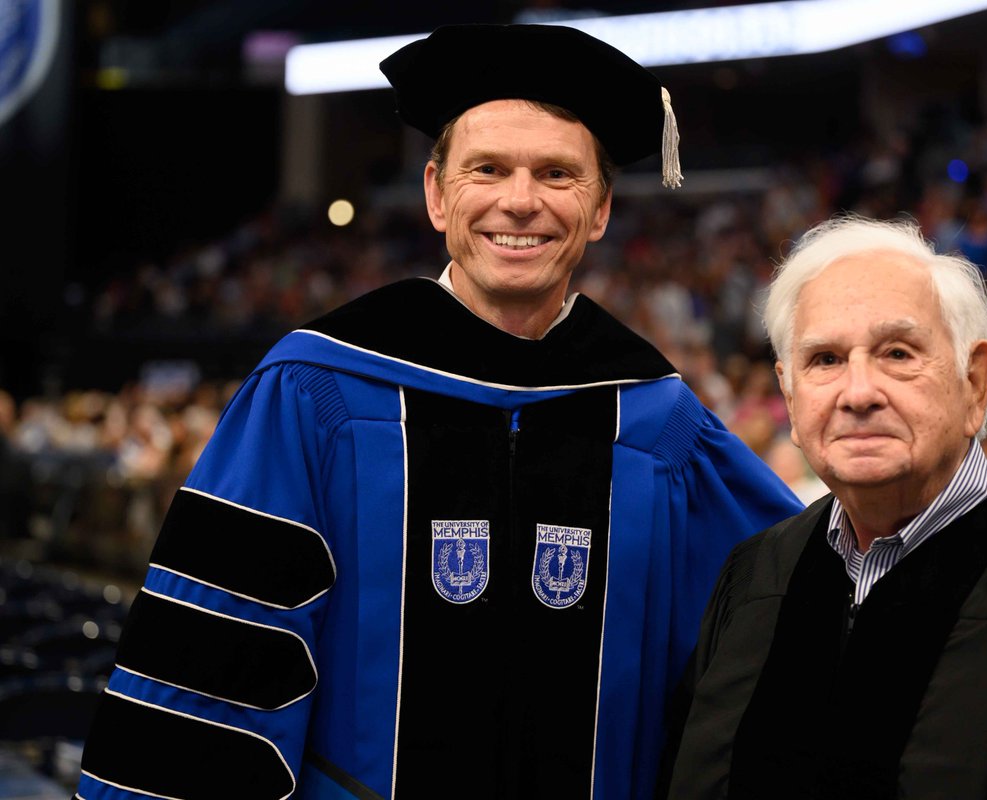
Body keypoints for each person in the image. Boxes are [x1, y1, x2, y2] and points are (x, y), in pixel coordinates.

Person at [75, 24, 804, 800]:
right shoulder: (317, 392)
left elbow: (779, 624)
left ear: (598, 211)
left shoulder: (657, 423)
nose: (520, 202)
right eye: (488, 169)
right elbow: (212, 674)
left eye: (557, 174)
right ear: (435, 195)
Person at [660, 215, 987, 799]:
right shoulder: (753, 578)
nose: (858, 393)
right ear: (789, 396)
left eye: (896, 352)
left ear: (975, 382)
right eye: (825, 360)